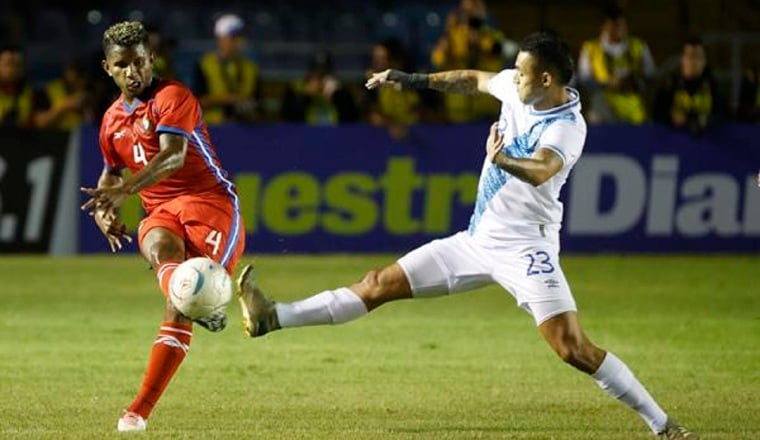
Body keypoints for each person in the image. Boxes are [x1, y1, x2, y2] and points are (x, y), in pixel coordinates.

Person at [236, 32, 699, 439]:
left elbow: (542, 170)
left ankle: (663, 425)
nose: (512, 78)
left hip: (527, 248)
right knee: (377, 283)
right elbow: (471, 78)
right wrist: (408, 78)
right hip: (476, 242)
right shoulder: (519, 91)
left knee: (571, 348)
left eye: (522, 73)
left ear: (546, 81)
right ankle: (272, 317)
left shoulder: (567, 126)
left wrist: (502, 161)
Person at [80, 21, 245, 432]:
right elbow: (109, 175)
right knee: (161, 253)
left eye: (139, 61)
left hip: (210, 205)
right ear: (108, 68)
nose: (133, 72)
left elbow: (172, 157)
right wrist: (105, 209)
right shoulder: (111, 120)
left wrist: (125, 191)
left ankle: (195, 305)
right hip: (161, 211)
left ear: (151, 59)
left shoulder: (174, 97)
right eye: (123, 65)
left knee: (180, 301)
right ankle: (136, 414)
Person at [430, 0, 507, 122]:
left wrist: (477, 38)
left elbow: (495, 51)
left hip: (487, 107)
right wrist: (449, 34)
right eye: (466, 12)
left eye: (474, 11)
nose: (470, 16)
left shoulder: (492, 35)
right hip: (458, 108)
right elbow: (438, 61)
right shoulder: (452, 36)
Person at [577, 6, 656, 124]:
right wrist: (607, 84)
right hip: (602, 107)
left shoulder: (639, 46)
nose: (618, 30)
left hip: (634, 108)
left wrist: (635, 82)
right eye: (613, 27)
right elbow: (584, 80)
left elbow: (651, 77)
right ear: (603, 27)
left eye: (621, 26)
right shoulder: (590, 48)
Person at [194, 13, 259, 124]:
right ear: (220, 39)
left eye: (240, 37)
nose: (239, 42)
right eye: (233, 38)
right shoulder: (205, 64)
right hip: (213, 128)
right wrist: (231, 100)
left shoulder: (250, 67)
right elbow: (197, 101)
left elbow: (258, 100)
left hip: (245, 129)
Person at [654, 37, 721, 136]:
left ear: (704, 61)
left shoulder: (712, 85)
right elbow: (656, 114)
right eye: (689, 56)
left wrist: (708, 120)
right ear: (682, 59)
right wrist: (671, 118)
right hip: (673, 144)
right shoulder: (671, 84)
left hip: (707, 145)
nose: (692, 62)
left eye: (697, 57)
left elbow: (723, 115)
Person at [280, 49, 359, 125]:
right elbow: (288, 118)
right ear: (310, 71)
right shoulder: (297, 89)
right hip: (304, 134)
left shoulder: (341, 89)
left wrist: (336, 96)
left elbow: (352, 120)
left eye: (324, 73)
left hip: (334, 135)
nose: (320, 78)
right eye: (317, 72)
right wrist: (306, 97)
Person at [0, 44, 43, 128]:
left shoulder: (30, 90)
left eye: (18, 65)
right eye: (9, 64)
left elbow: (37, 120)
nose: (14, 69)